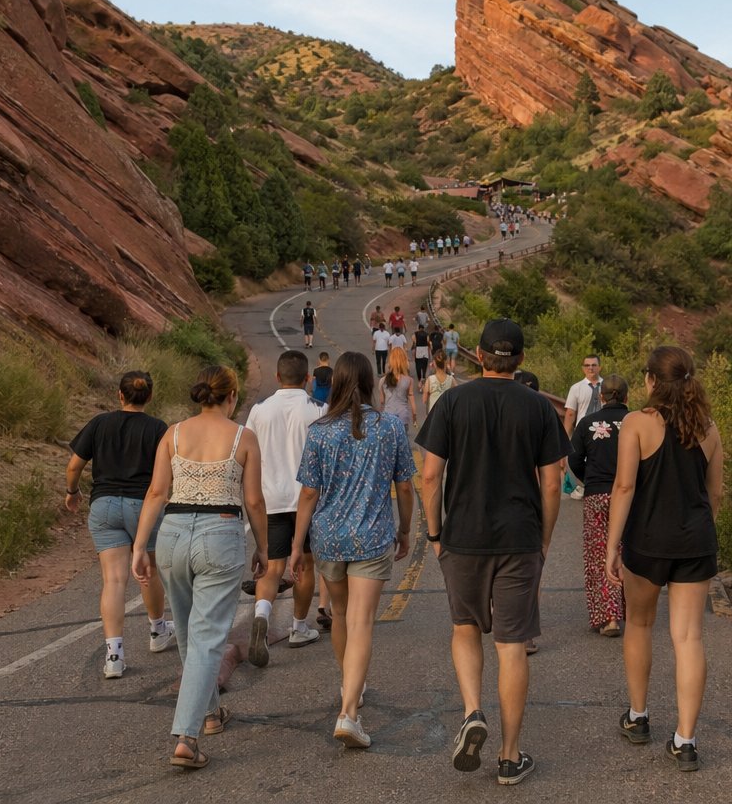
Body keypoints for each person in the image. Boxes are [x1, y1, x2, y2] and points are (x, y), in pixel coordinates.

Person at [417, 319, 570, 786]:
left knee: (464, 628)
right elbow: (551, 482)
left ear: (478, 356)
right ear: (521, 360)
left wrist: (435, 533)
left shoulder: (453, 401)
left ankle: (471, 711)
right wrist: (543, 539)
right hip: (519, 539)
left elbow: (429, 476)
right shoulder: (539, 408)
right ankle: (509, 755)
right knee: (511, 645)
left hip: (462, 537)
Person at [132, 366, 268, 771]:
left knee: (191, 632)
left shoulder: (172, 434)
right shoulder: (243, 437)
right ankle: (186, 737)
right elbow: (255, 502)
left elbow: (157, 491)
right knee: (208, 637)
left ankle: (209, 714)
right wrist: (263, 547)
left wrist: (141, 545)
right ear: (232, 396)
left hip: (172, 532)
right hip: (220, 531)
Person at [605, 347, 724, 774]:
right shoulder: (708, 427)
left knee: (639, 624)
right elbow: (715, 494)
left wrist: (610, 547)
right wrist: (698, 531)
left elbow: (623, 488)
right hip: (695, 543)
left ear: (652, 381)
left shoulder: (637, 423)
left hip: (648, 541)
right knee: (688, 638)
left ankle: (638, 717)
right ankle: (685, 741)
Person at [289, 352, 415, 748]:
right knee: (362, 621)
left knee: (340, 614)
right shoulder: (390, 427)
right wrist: (406, 529)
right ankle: (349, 712)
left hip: (328, 538)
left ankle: (350, 687)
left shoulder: (319, 430)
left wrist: (296, 546)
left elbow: (309, 493)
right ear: (367, 382)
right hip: (372, 536)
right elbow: (406, 486)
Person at [65, 371, 175, 679]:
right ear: (149, 397)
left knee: (113, 580)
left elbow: (74, 465)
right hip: (143, 506)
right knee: (147, 570)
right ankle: (157, 631)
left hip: (104, 503)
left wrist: (72, 493)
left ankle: (114, 654)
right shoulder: (157, 428)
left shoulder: (100, 423)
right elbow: (167, 474)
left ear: (120, 395)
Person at [243, 351, 327, 666]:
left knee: (273, 566)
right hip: (309, 499)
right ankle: (299, 626)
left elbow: (250, 454)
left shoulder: (259, 411)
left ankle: (262, 614)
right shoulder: (320, 409)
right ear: (308, 378)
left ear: (277, 377)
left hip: (271, 499)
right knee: (304, 564)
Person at [567, 374, 630, 638]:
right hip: (629, 497)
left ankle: (608, 617)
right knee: (627, 552)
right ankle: (634, 613)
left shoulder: (588, 423)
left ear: (600, 397)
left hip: (597, 495)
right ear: (627, 397)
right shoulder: (635, 421)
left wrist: (591, 480)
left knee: (599, 556)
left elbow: (574, 458)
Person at [561, 355, 604, 500]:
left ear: (600, 367)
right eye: (587, 365)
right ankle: (582, 485)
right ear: (583, 368)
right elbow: (570, 414)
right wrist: (566, 436)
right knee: (580, 459)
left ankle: (598, 486)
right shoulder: (576, 388)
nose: (590, 368)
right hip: (583, 430)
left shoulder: (607, 386)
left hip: (602, 429)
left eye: (594, 365)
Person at [377, 347, 417, 432]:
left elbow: (382, 402)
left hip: (387, 417)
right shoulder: (409, 380)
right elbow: (411, 397)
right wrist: (414, 415)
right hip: (403, 416)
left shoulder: (382, 380)